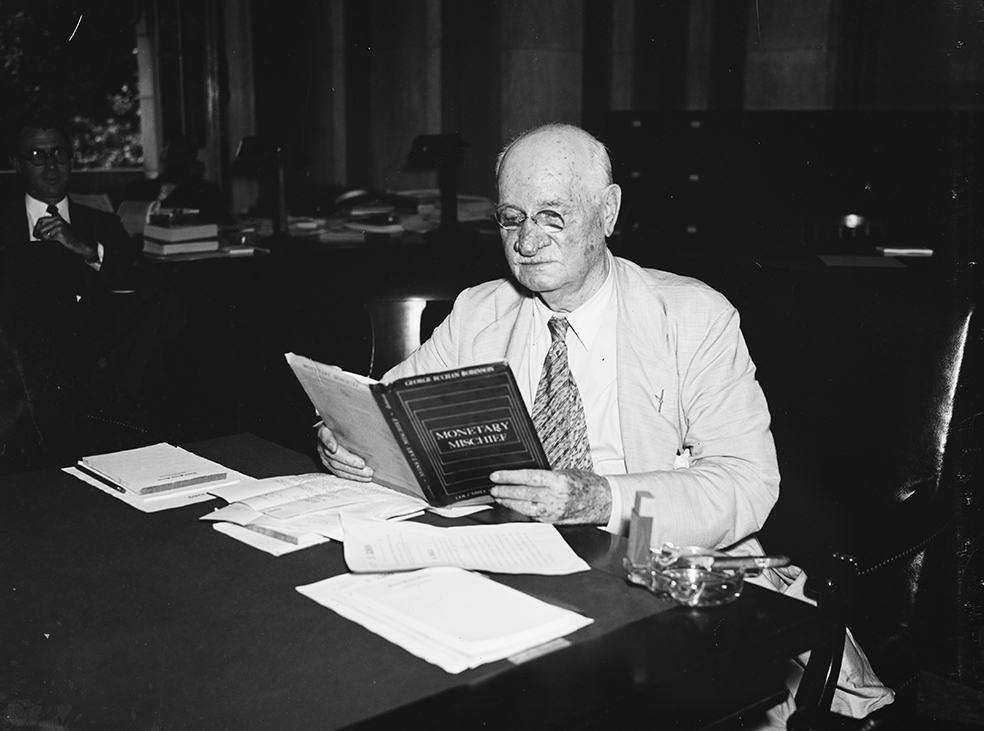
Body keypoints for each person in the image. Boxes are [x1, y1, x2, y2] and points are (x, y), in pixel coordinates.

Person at [316, 123, 893, 725]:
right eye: (511, 219)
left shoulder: (692, 315)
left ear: (608, 212)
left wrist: (595, 498)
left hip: (649, 558)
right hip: (511, 557)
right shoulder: (480, 310)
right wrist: (345, 440)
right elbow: (389, 407)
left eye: (552, 217)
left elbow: (747, 482)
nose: (527, 241)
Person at [0, 104, 181, 473]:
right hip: (21, 374)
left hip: (94, 370)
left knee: (165, 305)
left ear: (72, 159)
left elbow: (140, 288)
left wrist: (90, 250)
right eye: (37, 156)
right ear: (17, 164)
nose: (52, 165)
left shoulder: (101, 224)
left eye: (59, 153)